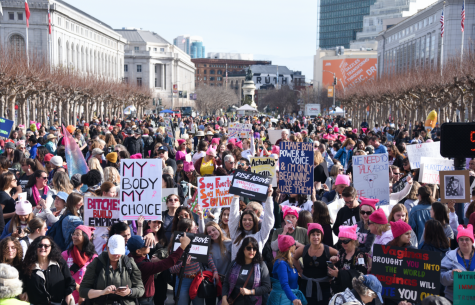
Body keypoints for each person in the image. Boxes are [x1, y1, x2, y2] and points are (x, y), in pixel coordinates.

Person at [79, 234, 145, 305]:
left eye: (118, 252)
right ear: (107, 248)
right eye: (113, 252)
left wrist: (129, 292)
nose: (116, 255)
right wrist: (102, 292)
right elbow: (83, 291)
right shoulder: (96, 263)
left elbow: (141, 289)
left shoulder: (129, 263)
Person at [127, 232, 191, 305]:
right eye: (145, 245)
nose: (148, 245)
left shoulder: (129, 257)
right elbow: (168, 263)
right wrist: (182, 246)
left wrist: (150, 233)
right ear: (138, 251)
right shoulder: (143, 266)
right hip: (144, 301)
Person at [21, 236, 76, 305]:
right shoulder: (27, 265)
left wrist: (67, 300)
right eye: (40, 245)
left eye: (46, 246)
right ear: (35, 247)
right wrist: (24, 292)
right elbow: (22, 285)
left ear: (51, 248)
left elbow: (70, 283)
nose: (43, 248)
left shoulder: (60, 263)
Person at [293, 223, 338, 305]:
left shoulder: (327, 249)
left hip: (324, 288)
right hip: (306, 286)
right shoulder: (304, 249)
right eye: (313, 235)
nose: (316, 237)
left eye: (318, 234)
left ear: (321, 236)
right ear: (309, 236)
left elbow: (340, 255)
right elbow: (293, 258)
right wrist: (299, 270)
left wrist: (334, 266)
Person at [221, 237, 271, 305]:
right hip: (234, 301)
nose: (252, 251)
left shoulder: (261, 265)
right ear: (243, 249)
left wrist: (250, 292)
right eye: (248, 248)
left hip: (253, 302)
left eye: (254, 248)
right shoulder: (234, 264)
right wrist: (224, 299)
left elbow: (267, 287)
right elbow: (226, 283)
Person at [229, 186, 274, 260]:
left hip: (254, 270)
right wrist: (236, 196)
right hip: (236, 270)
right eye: (244, 219)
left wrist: (269, 197)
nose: (247, 222)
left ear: (255, 221)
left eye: (250, 219)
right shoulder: (235, 234)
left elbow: (268, 221)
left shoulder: (260, 235)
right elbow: (233, 217)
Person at [62, 225, 98, 304]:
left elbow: (95, 280)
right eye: (73, 234)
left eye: (77, 234)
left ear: (85, 237)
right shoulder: (65, 254)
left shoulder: (93, 258)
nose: (74, 236)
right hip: (68, 297)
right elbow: (60, 275)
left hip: (86, 299)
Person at [328, 225, 369, 294]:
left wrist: (339, 274)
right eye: (341, 241)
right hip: (337, 292)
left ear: (353, 240)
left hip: (352, 294)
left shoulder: (359, 255)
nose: (343, 244)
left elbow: (360, 275)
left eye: (346, 241)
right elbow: (332, 273)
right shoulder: (340, 252)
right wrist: (332, 264)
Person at [268, 235, 307, 305]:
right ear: (290, 247)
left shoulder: (289, 261)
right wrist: (293, 298)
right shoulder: (281, 263)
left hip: (288, 297)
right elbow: (284, 284)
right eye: (294, 244)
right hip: (282, 299)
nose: (296, 246)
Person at [440, 225, 475, 302]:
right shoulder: (450, 256)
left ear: (472, 241)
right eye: (461, 239)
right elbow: (440, 277)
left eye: (467, 239)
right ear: (458, 241)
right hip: (453, 299)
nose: (464, 242)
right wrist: (451, 274)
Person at [203, 222, 232, 305]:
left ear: (218, 229)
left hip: (225, 282)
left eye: (213, 230)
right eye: (209, 232)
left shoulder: (229, 243)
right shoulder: (207, 246)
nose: (212, 233)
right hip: (210, 281)